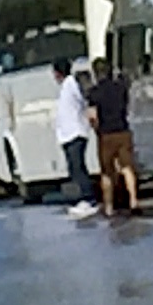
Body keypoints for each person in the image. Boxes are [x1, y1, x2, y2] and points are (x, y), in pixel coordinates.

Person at [87, 63, 140, 217]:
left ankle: (109, 207)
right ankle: (134, 201)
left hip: (106, 135)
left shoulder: (94, 93)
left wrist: (97, 129)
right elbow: (128, 107)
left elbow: (92, 116)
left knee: (107, 173)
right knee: (127, 168)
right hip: (123, 131)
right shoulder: (121, 88)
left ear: (96, 74)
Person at [53, 59, 95, 217]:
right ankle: (83, 199)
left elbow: (81, 100)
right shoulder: (65, 86)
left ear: (58, 73)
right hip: (68, 134)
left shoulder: (71, 84)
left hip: (75, 133)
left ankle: (88, 199)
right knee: (74, 168)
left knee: (78, 168)